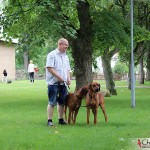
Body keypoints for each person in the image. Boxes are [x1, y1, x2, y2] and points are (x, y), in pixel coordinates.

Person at [46, 38, 71, 126]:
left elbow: (68, 69)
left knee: (62, 102)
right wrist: (59, 77)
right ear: (60, 44)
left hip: (63, 83)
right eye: (65, 46)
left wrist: (68, 78)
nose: (67, 47)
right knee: (52, 102)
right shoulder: (52, 55)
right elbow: (49, 68)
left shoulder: (66, 56)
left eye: (67, 46)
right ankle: (49, 121)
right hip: (53, 83)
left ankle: (61, 119)